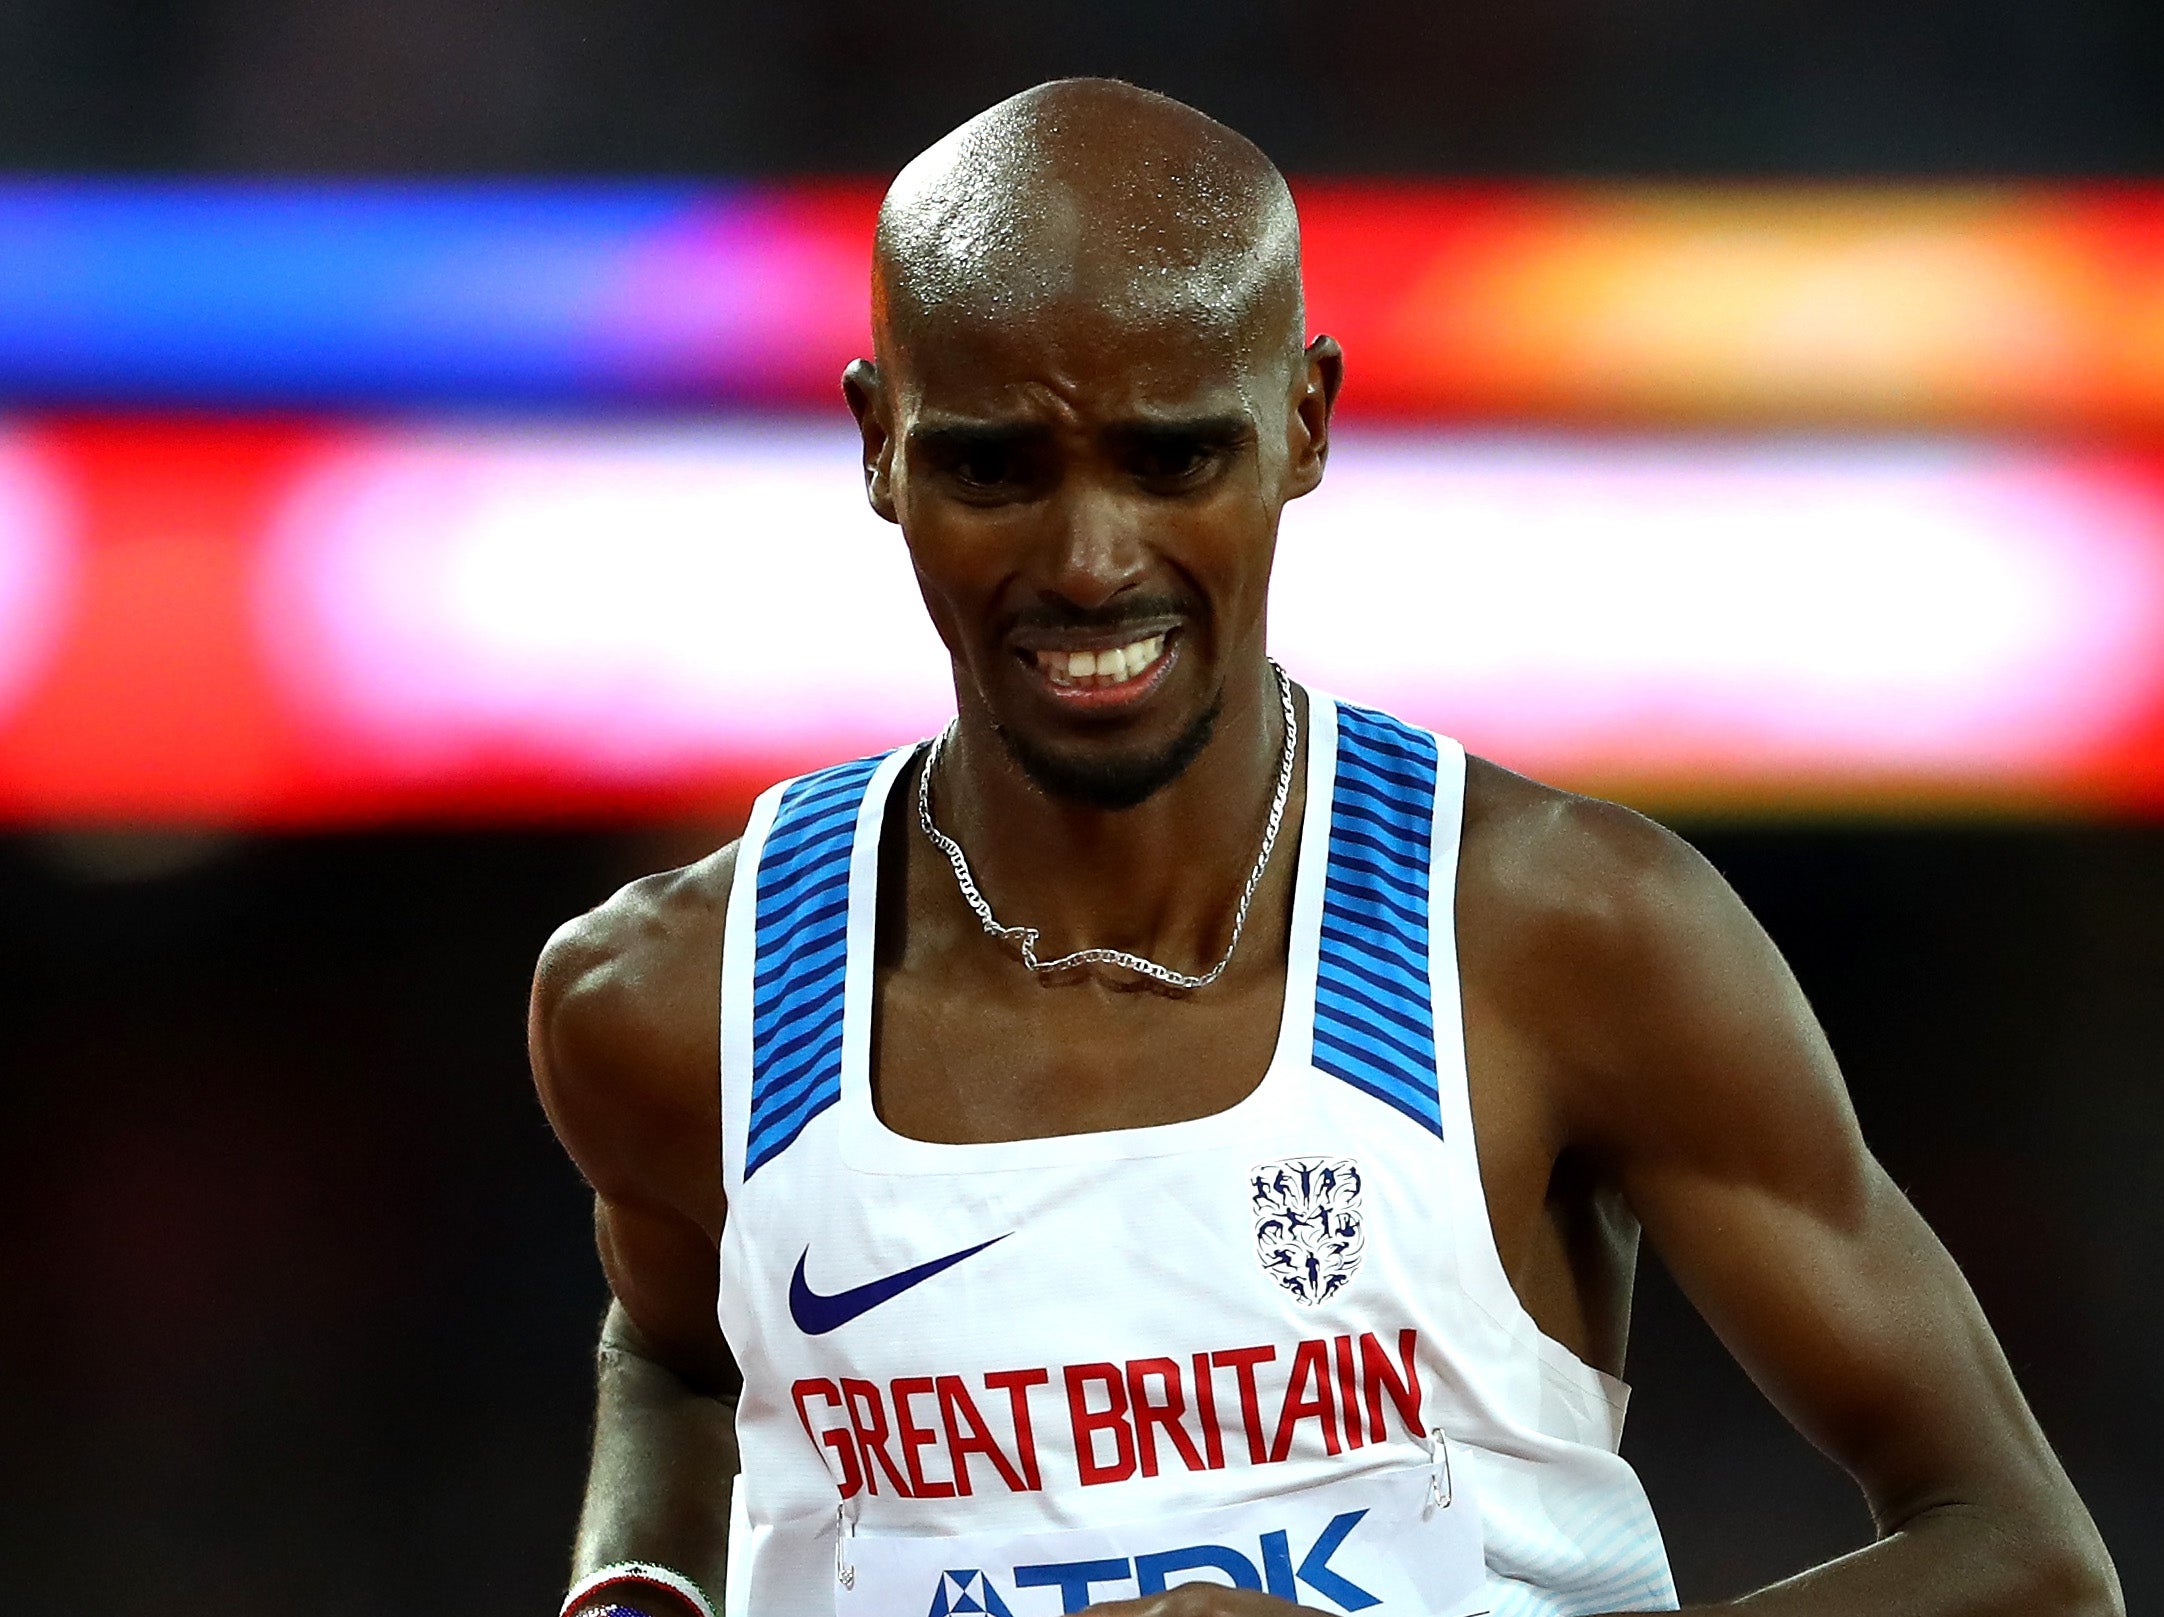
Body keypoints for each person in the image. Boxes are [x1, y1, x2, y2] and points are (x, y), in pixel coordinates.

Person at [529, 78, 2120, 1617]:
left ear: (1303, 421)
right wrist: (635, 1592)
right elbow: (676, 1349)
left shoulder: (1557, 937)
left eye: (1173, 457)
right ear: (880, 443)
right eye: (993, 465)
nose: (1088, 561)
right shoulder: (673, 995)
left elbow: (2026, 1564)